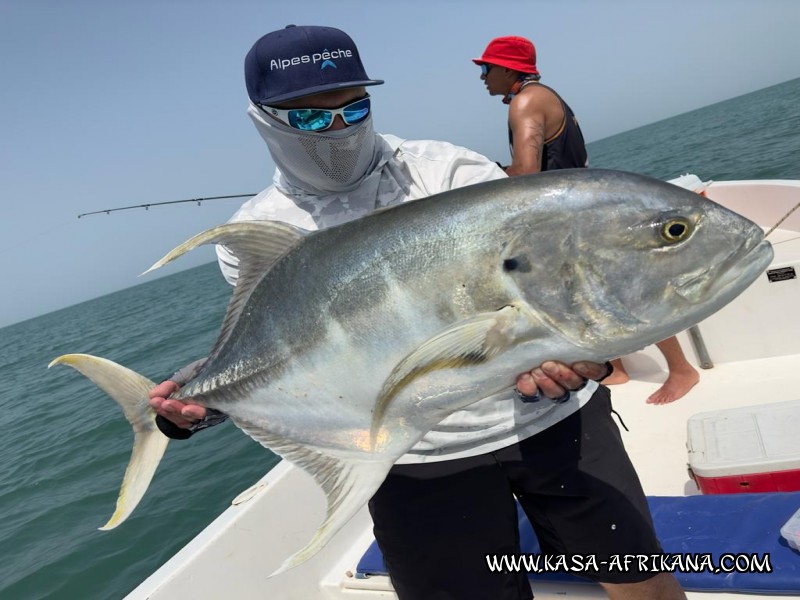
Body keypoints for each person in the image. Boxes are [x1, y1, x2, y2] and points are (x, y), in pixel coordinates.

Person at [150, 25, 685, 600]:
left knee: (645, 586)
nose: (338, 129)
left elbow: (541, 286)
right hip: (414, 458)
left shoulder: (450, 172)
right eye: (309, 118)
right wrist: (207, 404)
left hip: (550, 424)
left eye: (354, 108)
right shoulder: (256, 235)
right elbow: (301, 359)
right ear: (264, 119)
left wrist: (582, 355)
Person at [474, 34, 698, 405]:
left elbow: (527, 173)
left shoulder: (525, 102)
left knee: (622, 291)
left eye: (486, 68)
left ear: (507, 68)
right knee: (588, 294)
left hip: (567, 218)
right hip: (574, 211)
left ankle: (681, 370)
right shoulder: (545, 96)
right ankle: (619, 369)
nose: (482, 76)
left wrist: (486, 178)